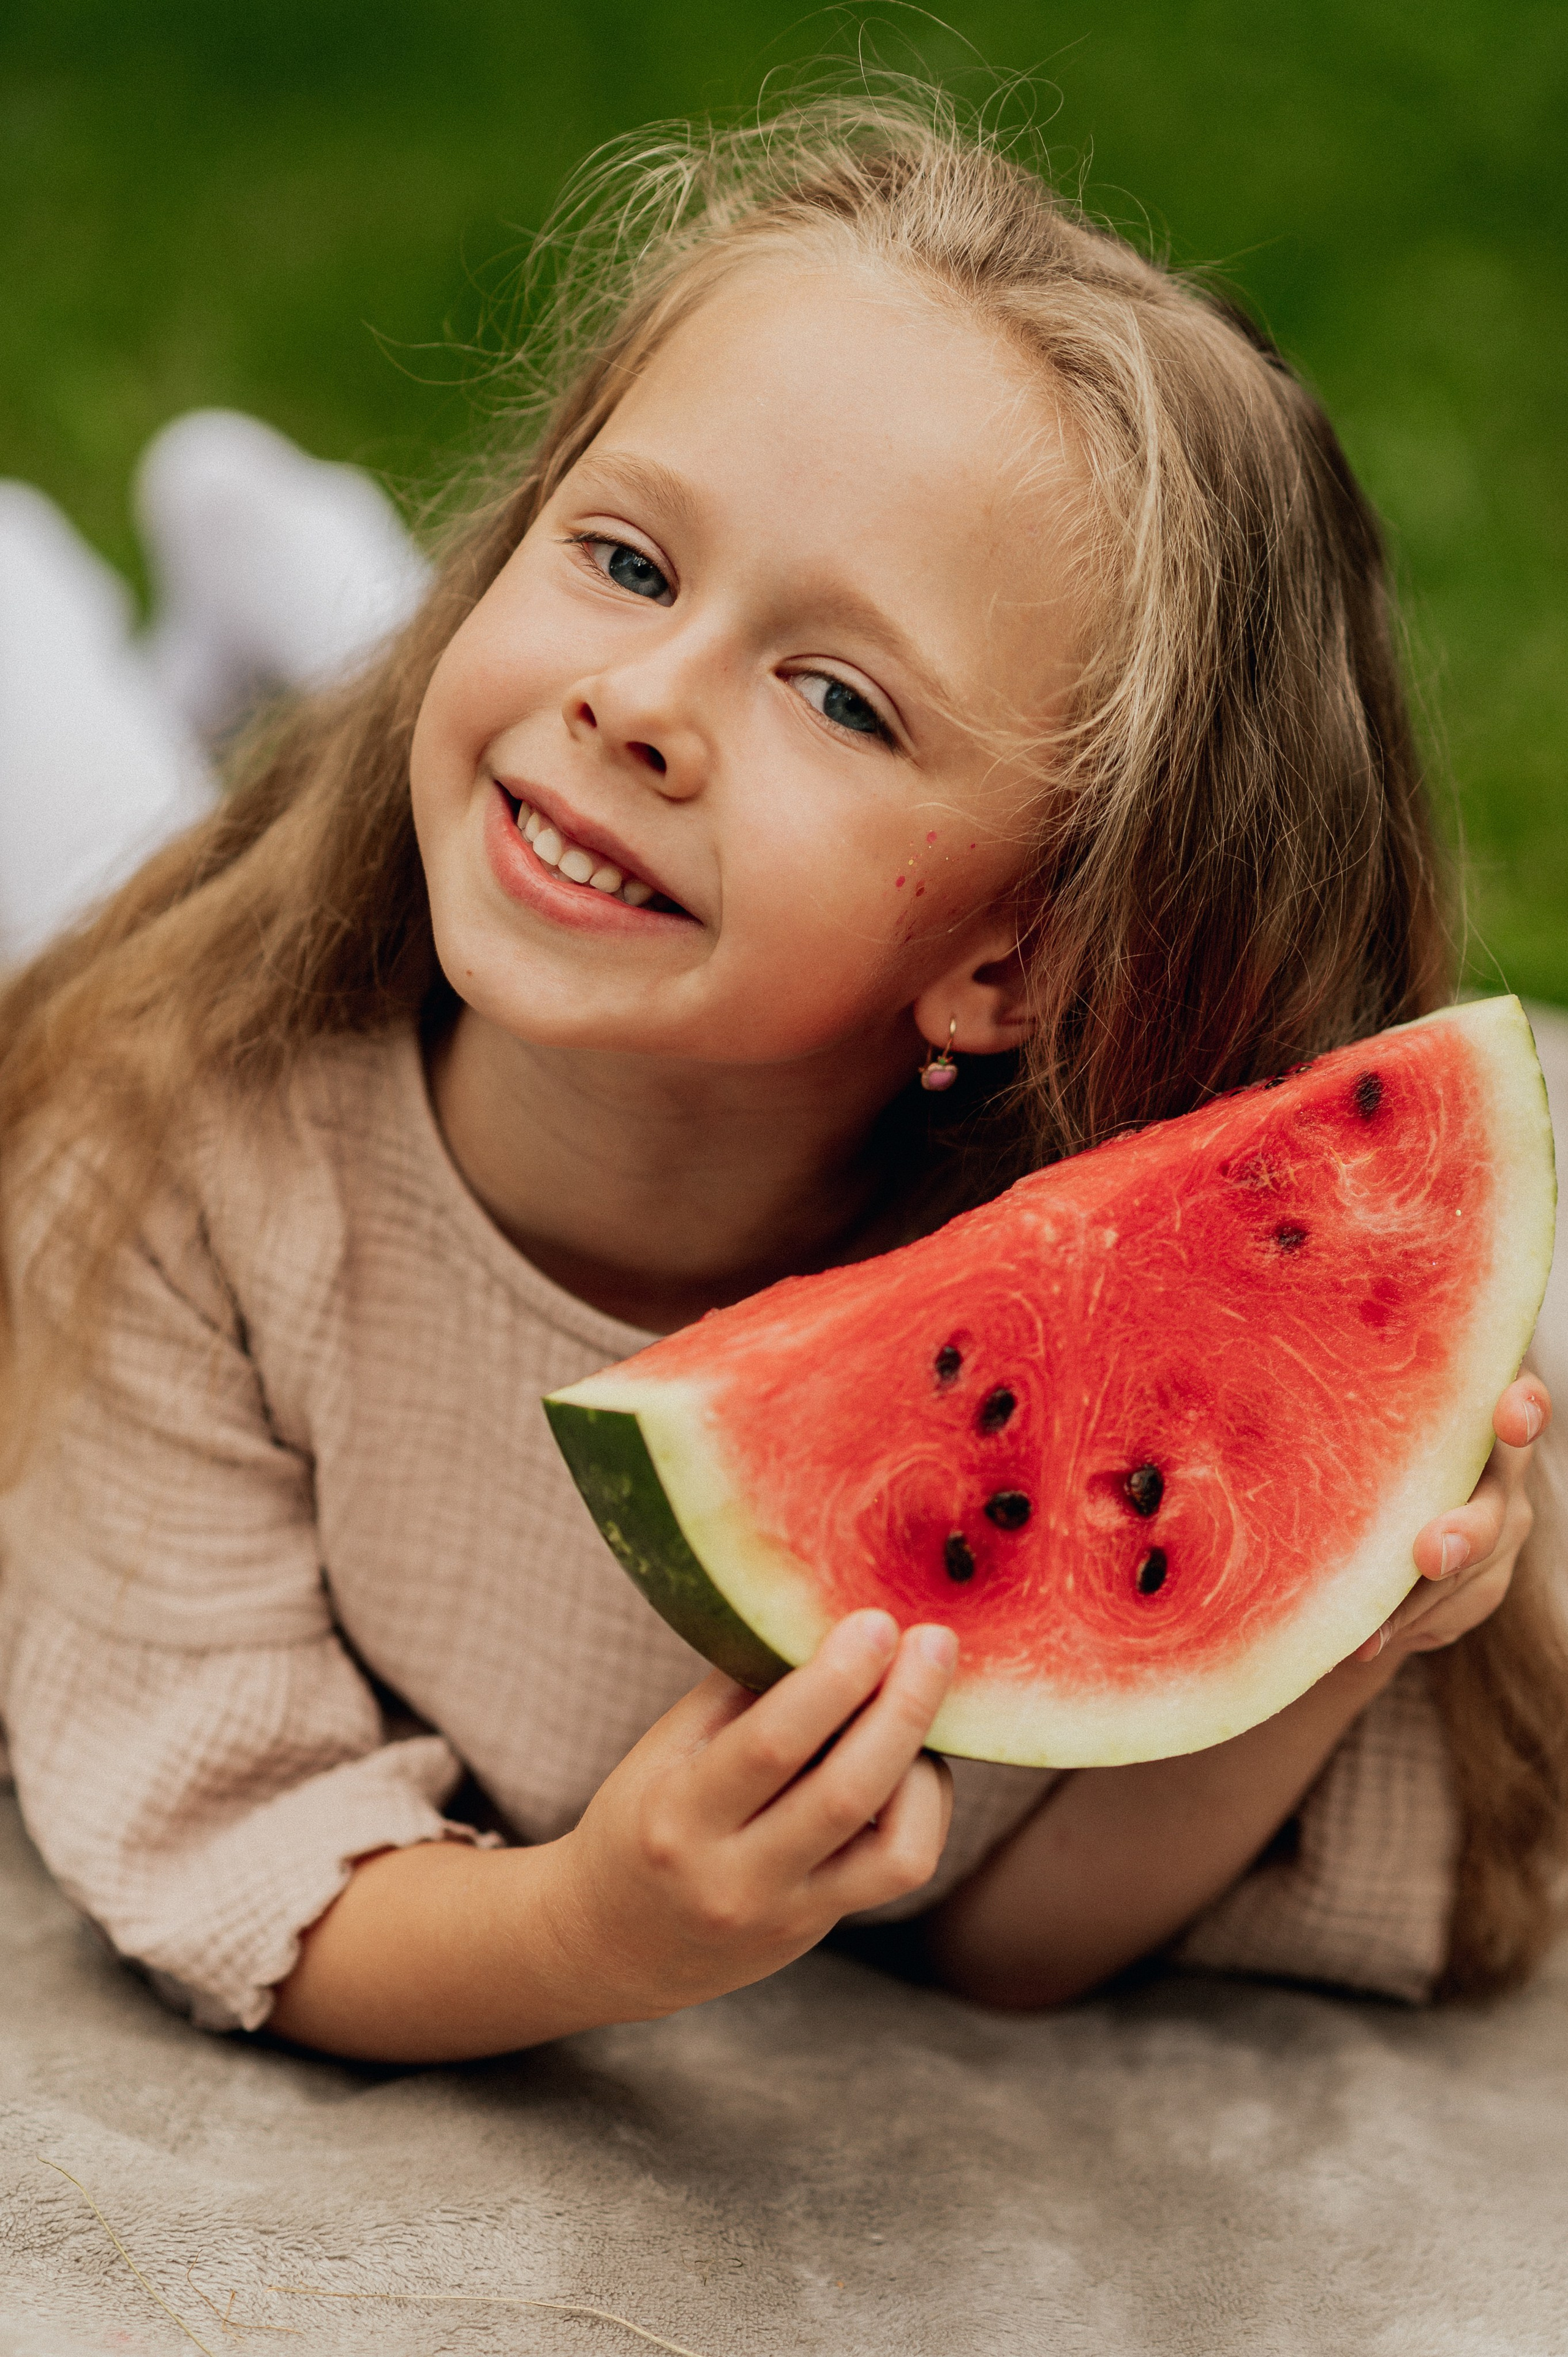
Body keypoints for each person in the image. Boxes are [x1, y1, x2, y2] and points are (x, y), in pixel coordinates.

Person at [2, 95, 1564, 2064]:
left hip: (561, 849)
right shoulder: (176, 1163)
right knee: (64, 799)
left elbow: (1006, 1938)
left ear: (1019, 959)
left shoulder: (1089, 1320)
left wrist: (1345, 1632)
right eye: (625, 556)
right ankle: (197, 587)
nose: (643, 703)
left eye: (839, 697)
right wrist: (588, 1929)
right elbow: (237, 1848)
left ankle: (294, 584)